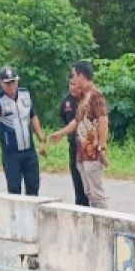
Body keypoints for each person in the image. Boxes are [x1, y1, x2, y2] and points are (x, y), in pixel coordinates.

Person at [49, 60, 109, 209]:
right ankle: (94, 226)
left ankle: (104, 226)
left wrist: (101, 147)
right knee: (88, 192)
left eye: (74, 75)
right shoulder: (84, 97)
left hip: (92, 150)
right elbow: (76, 122)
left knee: (97, 194)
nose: (73, 78)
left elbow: (103, 120)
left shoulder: (95, 95)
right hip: (82, 151)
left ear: (82, 76)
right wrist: (61, 133)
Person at [0, 65, 47, 195]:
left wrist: (41, 140)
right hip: (11, 155)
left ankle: (31, 215)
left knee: (33, 187)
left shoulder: (25, 94)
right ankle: (16, 216)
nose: (11, 86)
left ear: (17, 81)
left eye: (13, 82)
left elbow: (33, 117)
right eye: (7, 83)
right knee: (14, 190)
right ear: (1, 83)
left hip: (29, 152)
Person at [59, 73, 88, 206]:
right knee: (78, 184)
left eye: (75, 84)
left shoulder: (89, 99)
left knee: (91, 186)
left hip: (88, 147)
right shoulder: (66, 102)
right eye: (70, 84)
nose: (72, 87)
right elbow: (66, 121)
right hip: (74, 147)